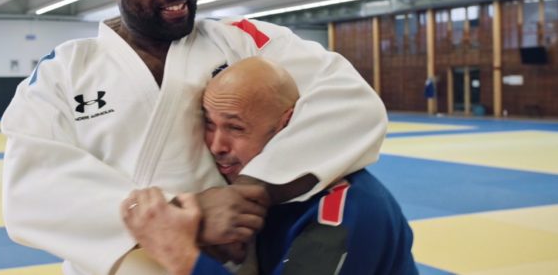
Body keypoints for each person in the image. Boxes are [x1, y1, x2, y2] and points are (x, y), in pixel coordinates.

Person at [1, 0, 387, 275]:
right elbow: (31, 187)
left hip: (232, 265)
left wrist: (254, 190)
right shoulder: (65, 70)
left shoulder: (241, 41)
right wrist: (186, 216)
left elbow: (350, 100)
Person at [122, 57, 417, 275]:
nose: (216, 146)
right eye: (210, 124)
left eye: (235, 128)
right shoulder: (249, 195)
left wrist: (180, 255)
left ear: (285, 126)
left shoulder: (344, 211)